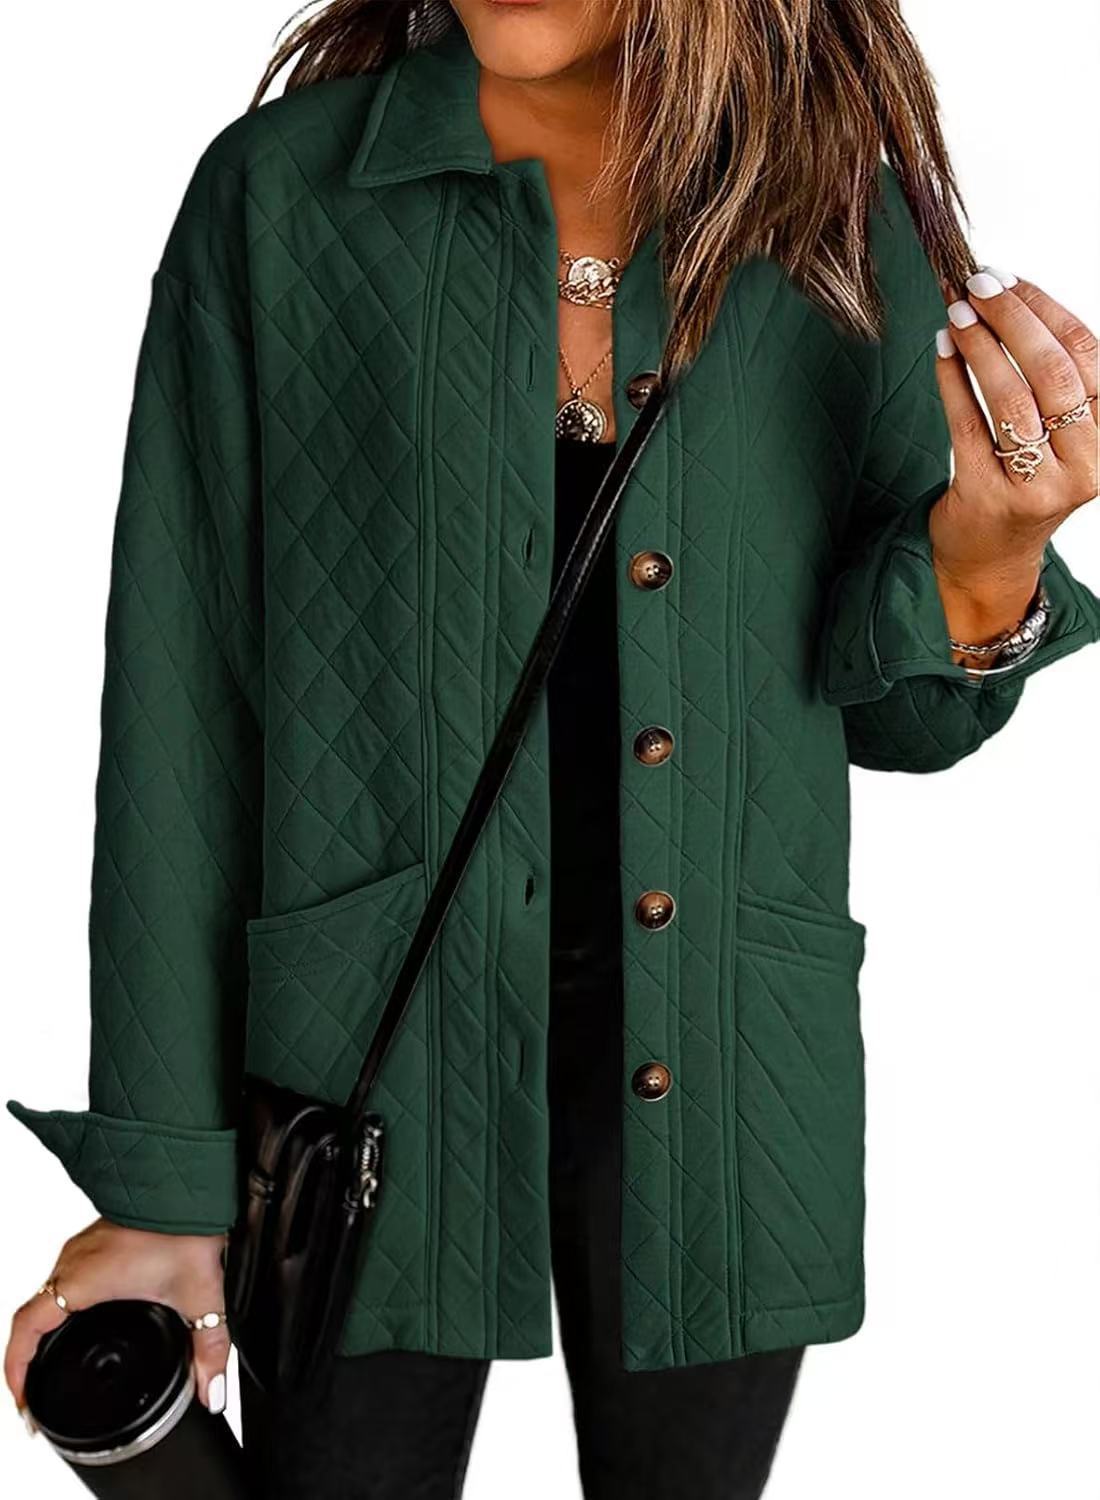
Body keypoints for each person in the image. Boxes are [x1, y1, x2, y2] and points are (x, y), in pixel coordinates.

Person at [5, 2, 1098, 1496]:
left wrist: (993, 550)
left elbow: (904, 719)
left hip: (725, 1061)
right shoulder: (281, 194)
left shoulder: (831, 209)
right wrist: (160, 1183)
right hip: (359, 1057)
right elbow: (179, 705)